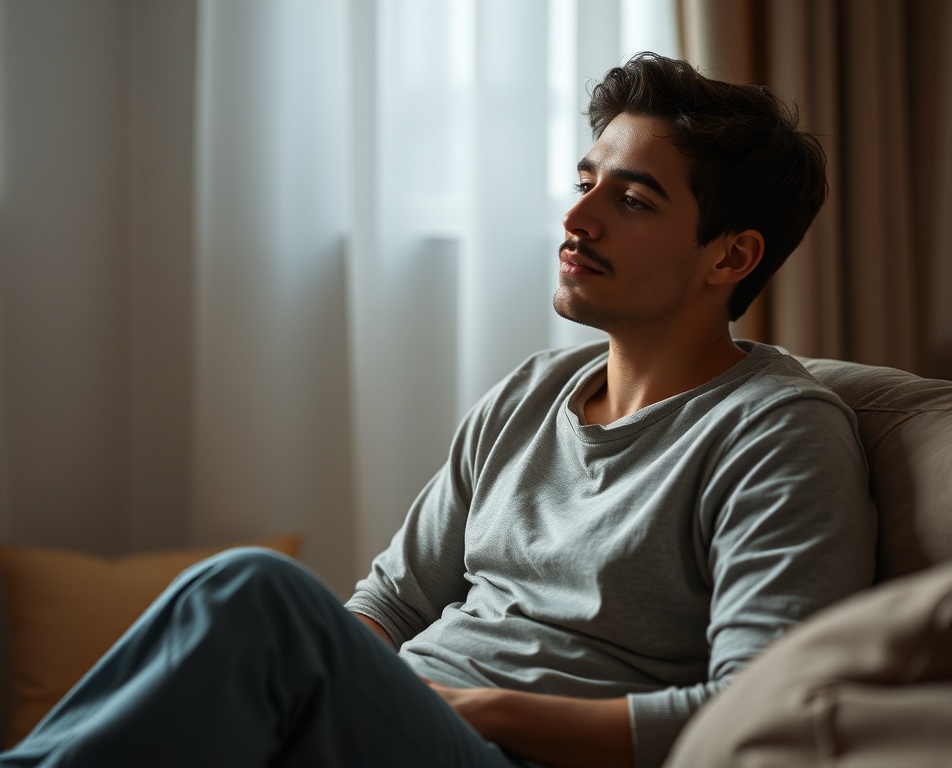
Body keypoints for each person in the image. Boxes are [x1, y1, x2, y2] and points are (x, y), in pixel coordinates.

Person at [0, 53, 876, 768]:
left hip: (502, 753)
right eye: (585, 181)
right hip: (398, 726)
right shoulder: (532, 394)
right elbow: (390, 599)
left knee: (252, 590)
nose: (578, 218)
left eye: (631, 200)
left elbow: (762, 710)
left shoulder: (778, 434)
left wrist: (475, 709)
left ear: (731, 257)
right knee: (247, 625)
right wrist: (337, 683)